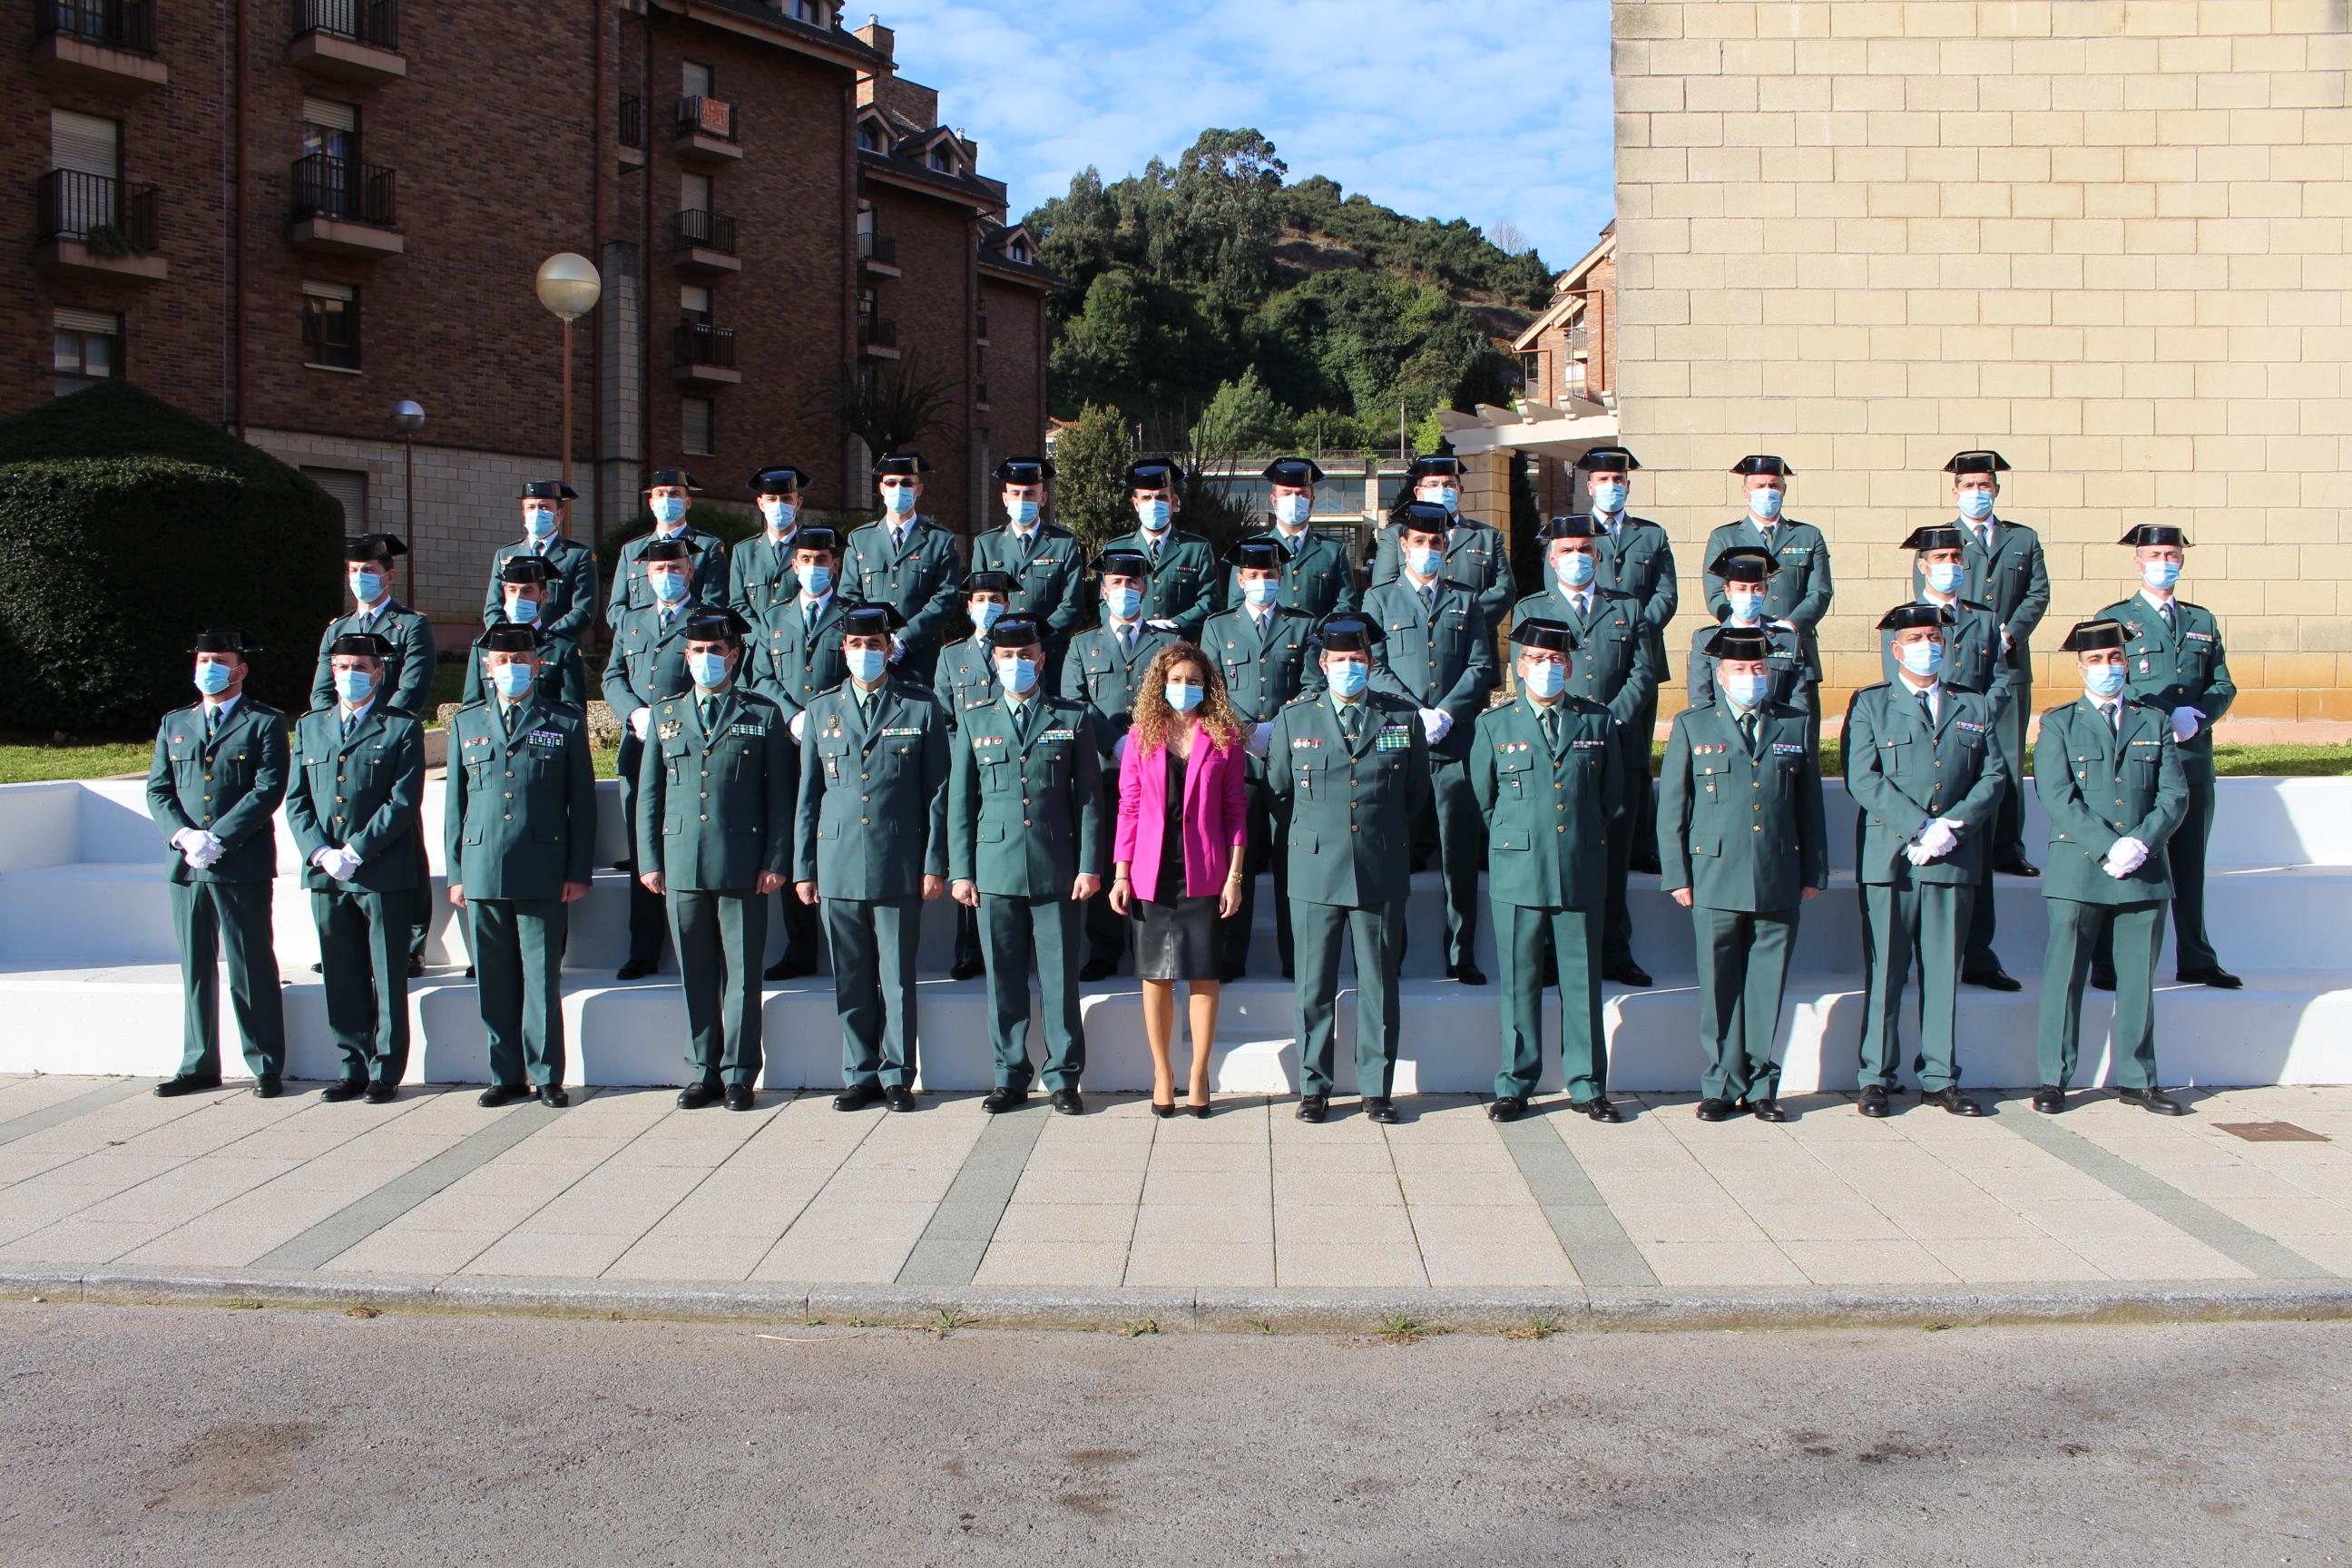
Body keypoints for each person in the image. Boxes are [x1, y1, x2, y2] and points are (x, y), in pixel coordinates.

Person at [1845, 604, 2009, 1120]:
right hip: (1892, 858)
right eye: (1915, 637)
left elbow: (1994, 776)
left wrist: (1948, 829)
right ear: (1896, 649)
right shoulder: (1872, 704)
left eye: (1934, 636)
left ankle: (1940, 1077)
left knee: (1942, 972)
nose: (1926, 644)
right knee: (1886, 970)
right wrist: (1919, 826)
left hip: (1951, 857)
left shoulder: (1975, 706)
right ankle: (1876, 1076)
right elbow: (1863, 777)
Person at [1658, 626, 1828, 1122]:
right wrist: (1677, 875)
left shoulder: (1793, 724)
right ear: (1719, 674)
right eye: (1739, 669)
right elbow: (1673, 809)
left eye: (1758, 668)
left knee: (1766, 985)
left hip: (1778, 872)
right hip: (1712, 874)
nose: (1750, 677)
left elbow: (1808, 805)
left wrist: (1814, 867)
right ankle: (1719, 1082)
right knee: (1718, 986)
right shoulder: (1694, 725)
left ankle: (1759, 1085)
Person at [1269, 612, 1432, 1125]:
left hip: (1379, 867)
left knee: (1380, 984)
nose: (1348, 668)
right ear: (1323, 663)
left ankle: (1375, 1089)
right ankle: (1314, 1087)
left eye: (1357, 660)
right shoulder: (1295, 719)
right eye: (1339, 660)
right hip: (1316, 869)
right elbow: (1278, 791)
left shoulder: (1401, 718)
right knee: (1313, 985)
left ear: (1371, 662)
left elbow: (1415, 793)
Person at [636, 608, 795, 1111]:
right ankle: (703, 1070)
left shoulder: (761, 713)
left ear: (735, 656)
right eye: (698, 652)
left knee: (744, 975)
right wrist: (649, 858)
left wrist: (775, 859)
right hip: (681, 862)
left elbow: (780, 797)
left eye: (717, 652)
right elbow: (650, 796)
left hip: (745, 865)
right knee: (696, 972)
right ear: (686, 656)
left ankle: (740, 1074)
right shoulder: (664, 716)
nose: (707, 660)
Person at [796, 603, 952, 1112]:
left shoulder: (921, 707)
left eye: (875, 645)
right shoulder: (821, 710)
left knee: (898, 976)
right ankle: (859, 1072)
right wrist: (804, 867)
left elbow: (939, 794)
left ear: (890, 648)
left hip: (898, 861)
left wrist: (934, 863)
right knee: (851, 974)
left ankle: (898, 1076)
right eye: (857, 646)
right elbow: (808, 796)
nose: (866, 653)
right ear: (845, 650)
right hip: (837, 862)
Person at [2033, 620, 2192, 1115]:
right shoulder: (2059, 723)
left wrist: (2140, 843)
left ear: (2128, 663)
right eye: (2097, 661)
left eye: (2116, 659)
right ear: (2081, 668)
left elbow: (2174, 793)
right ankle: (2053, 1079)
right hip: (2078, 867)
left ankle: (2138, 1078)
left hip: (2143, 869)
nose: (2108, 668)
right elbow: (2057, 796)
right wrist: (2107, 846)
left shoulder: (2154, 720)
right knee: (2065, 976)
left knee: (2138, 979)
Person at [948, 614, 1106, 1115]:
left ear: (1042, 658)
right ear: (994, 661)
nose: (1017, 664)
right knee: (1004, 980)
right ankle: (1009, 1075)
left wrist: (1089, 865)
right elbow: (958, 802)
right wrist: (962, 870)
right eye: (1007, 656)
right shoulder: (975, 719)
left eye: (1026, 655)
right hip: (994, 868)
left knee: (1060, 980)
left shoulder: (1071, 717)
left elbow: (1089, 801)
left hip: (1057, 866)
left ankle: (1063, 1077)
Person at [1471, 617, 1625, 1123]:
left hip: (1579, 865)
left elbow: (1612, 798)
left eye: (1555, 660)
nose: (1546, 668)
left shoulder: (1597, 722)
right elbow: (1485, 799)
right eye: (1536, 660)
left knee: (1582, 982)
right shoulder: (1495, 724)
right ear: (1520, 667)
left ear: (1570, 666)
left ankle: (1586, 1084)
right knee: (1519, 981)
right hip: (1518, 869)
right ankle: (1515, 1083)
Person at [445, 624, 595, 1108]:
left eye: (521, 660)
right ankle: (505, 1074)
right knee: (494, 978)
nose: (511, 668)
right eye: (501, 661)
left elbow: (583, 805)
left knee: (541, 975)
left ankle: (547, 1073)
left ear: (537, 665)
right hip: (482, 865)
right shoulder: (465, 724)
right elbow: (456, 805)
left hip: (543, 867)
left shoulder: (565, 721)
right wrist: (456, 872)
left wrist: (576, 871)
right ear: (487, 669)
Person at [1511, 515, 1660, 988]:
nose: (1577, 556)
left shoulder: (1628, 608)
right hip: (1560, 753)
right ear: (1551, 559)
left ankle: (1614, 951)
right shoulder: (1531, 608)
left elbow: (1643, 672)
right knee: (1561, 854)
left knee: (1614, 857)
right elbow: (1527, 676)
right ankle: (1556, 954)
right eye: (1567, 549)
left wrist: (1611, 719)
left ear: (1599, 556)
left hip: (1619, 746)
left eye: (1585, 548)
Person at [2091, 525, 2239, 991]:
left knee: (2190, 865)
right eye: (2155, 554)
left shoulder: (2202, 620)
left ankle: (2195, 957)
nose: (2164, 561)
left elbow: (2223, 682)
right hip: (2138, 758)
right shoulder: (2115, 618)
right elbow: (2110, 678)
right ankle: (2109, 962)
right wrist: (2165, 713)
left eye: (2172, 554)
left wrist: (2200, 715)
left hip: (2192, 757)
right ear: (2138, 562)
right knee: (2130, 860)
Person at [285, 632, 426, 1103]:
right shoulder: (310, 727)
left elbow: (403, 801)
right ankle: (352, 1065)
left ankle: (386, 1069)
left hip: (380, 869)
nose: (350, 675)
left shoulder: (401, 727)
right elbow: (297, 799)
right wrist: (320, 851)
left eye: (360, 668)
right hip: (327, 872)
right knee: (341, 974)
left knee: (387, 973)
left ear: (379, 673)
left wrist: (356, 851)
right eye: (343, 666)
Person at [147, 630, 288, 1098]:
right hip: (187, 865)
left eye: (219, 660)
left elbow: (267, 789)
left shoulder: (264, 722)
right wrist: (184, 836)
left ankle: (265, 1064)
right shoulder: (175, 723)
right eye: (203, 659)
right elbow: (159, 789)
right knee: (196, 966)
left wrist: (219, 837)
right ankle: (198, 1063)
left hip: (240, 862)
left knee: (250, 964)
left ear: (240, 669)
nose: (208, 668)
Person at [1111, 643, 1250, 1116]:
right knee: (1156, 977)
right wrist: (1121, 873)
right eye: (1176, 680)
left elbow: (1235, 810)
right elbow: (1128, 807)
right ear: (1160, 684)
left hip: (1205, 869)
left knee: (1203, 975)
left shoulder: (1224, 737)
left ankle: (1197, 1074)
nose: (1184, 688)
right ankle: (1163, 1072)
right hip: (1152, 871)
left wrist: (1235, 876)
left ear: (1206, 685)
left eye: (1193, 680)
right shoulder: (1141, 736)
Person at [1366, 502, 1498, 984]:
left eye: (1436, 543)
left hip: (1454, 743)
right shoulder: (1379, 601)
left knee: (1458, 857)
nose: (1428, 550)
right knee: (1393, 853)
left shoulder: (1468, 600)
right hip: (1400, 741)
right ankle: (1390, 956)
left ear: (1447, 547)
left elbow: (1482, 665)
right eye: (1419, 542)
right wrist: (1416, 713)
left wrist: (1446, 712)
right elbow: (1374, 667)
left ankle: (1461, 954)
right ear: (1403, 546)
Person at [1885, 525, 2020, 990]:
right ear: (1922, 565)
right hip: (1919, 750)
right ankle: (1907, 960)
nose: (1951, 565)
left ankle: (1979, 957)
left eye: (1956, 557)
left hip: (1970, 741)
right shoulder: (1906, 620)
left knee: (1975, 860)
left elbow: (2002, 677)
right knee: (1910, 869)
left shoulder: (1983, 618)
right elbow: (1896, 686)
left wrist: (1977, 714)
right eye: (1940, 557)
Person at [312, 531, 436, 975]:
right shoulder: (338, 629)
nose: (359, 579)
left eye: (368, 571)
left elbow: (413, 685)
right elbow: (323, 693)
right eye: (353, 572)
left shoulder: (411, 625)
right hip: (342, 745)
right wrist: (337, 732)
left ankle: (411, 942)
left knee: (402, 839)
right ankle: (342, 938)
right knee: (340, 830)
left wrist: (379, 728)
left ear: (389, 576)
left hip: (390, 741)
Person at [1201, 540, 1325, 981]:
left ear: (1281, 578)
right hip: (1238, 764)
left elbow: (1313, 686)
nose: (1262, 582)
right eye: (1253, 576)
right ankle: (1232, 956)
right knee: (1239, 862)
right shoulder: (1218, 627)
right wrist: (1248, 731)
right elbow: (1211, 689)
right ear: (1240, 581)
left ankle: (1297, 958)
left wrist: (1280, 729)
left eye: (1270, 575)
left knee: (1294, 863)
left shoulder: (1303, 625)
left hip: (1291, 764)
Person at [1061, 548, 1180, 981]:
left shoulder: (1168, 644)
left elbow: (1182, 699)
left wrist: (1149, 745)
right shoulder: (1081, 644)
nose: (1124, 590)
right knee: (1109, 855)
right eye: (1116, 584)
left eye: (1132, 584)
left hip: (1159, 769)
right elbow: (1077, 703)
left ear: (1144, 589)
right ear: (1103, 590)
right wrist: (1117, 745)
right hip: (1103, 769)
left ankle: (1155, 946)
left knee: (1157, 858)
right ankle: (1105, 950)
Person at [1931, 450, 2048, 878]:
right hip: (1957, 669)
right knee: (1956, 755)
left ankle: (2007, 848)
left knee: (2009, 760)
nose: (1977, 492)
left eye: (1985, 485)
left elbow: (2038, 594)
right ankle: (1960, 839)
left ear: (1996, 490)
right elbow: (1934, 605)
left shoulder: (2024, 538)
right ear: (1955, 491)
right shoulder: (1939, 539)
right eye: (1969, 486)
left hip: (2008, 664)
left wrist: (2009, 632)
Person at [745, 524, 854, 981]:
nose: (813, 567)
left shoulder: (853, 615)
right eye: (805, 560)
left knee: (838, 835)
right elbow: (761, 676)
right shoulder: (773, 618)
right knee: (794, 837)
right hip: (787, 743)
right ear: (794, 566)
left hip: (839, 745)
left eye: (822, 560)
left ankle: (845, 944)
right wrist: (792, 715)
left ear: (836, 564)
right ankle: (800, 947)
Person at [1569, 446, 1677, 875]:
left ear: (1627, 486)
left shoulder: (1651, 534)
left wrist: (1631, 628)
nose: (1612, 487)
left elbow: (1666, 594)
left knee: (1635, 756)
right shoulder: (1571, 532)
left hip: (1640, 660)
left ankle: (1638, 843)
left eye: (1619, 480)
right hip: (1585, 660)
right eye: (1603, 480)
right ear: (1590, 486)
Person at [600, 536, 701, 979]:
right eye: (658, 570)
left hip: (688, 749)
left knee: (687, 843)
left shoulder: (706, 621)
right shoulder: (632, 621)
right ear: (644, 576)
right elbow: (612, 675)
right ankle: (643, 948)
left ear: (690, 571)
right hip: (638, 748)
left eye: (675, 568)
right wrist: (634, 713)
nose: (667, 576)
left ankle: (696, 945)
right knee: (644, 851)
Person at [1703, 456, 1833, 730]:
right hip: (1741, 651)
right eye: (1760, 484)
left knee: (1801, 731)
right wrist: (1748, 627)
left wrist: (1789, 626)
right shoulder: (1724, 537)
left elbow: (1820, 591)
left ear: (1783, 490)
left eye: (1774, 485)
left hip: (1796, 648)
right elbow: (1716, 594)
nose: (1767, 490)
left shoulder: (1808, 536)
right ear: (1745, 490)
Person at [935, 571, 1015, 982]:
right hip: (969, 772)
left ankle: (1007, 947)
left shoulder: (1020, 652)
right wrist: (968, 758)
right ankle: (969, 951)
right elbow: (944, 717)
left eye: (996, 598)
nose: (989, 605)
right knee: (967, 857)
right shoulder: (952, 655)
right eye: (980, 598)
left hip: (1011, 771)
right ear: (968, 606)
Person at [842, 451, 963, 683]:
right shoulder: (860, 539)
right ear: (881, 488)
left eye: (906, 483)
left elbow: (945, 597)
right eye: (891, 482)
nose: (898, 488)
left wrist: (905, 639)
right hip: (870, 657)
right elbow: (848, 597)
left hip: (921, 657)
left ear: (918, 490)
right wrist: (874, 641)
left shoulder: (940, 540)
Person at [1369, 455, 1516, 628]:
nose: (1441, 489)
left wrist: (1463, 620)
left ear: (1460, 491)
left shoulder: (1486, 536)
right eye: (1433, 484)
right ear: (1418, 492)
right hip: (1414, 635)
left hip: (1475, 639)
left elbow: (1503, 590)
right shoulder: (1396, 535)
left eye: (1449, 485)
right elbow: (1385, 589)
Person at [1217, 457, 1359, 619]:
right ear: (1274, 500)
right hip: (1268, 641)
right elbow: (1237, 608)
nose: (1294, 499)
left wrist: (1315, 636)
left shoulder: (1333, 551)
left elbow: (1346, 606)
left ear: (1312, 502)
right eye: (1286, 493)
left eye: (1301, 494)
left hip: (1315, 641)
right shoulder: (1250, 548)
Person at [968, 456, 1087, 644]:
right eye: (1015, 493)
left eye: (1030, 494)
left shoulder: (1063, 543)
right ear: (1005, 499)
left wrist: (1037, 639)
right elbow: (979, 602)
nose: (1022, 499)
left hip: (1049, 650)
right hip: (1001, 651)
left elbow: (1072, 604)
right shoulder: (986, 544)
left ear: (1043, 498)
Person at [1100, 458, 1217, 641]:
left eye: (1161, 497)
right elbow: (1104, 603)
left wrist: (1175, 624)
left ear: (1173, 502)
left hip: (1180, 645)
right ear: (1136, 504)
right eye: (1146, 497)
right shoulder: (1115, 549)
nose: (1153, 503)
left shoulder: (1196, 549)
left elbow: (1210, 602)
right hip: (1131, 643)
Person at [1688, 550, 1807, 712]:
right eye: (1741, 589)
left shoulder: (1786, 640)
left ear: (1765, 591)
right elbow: (1700, 699)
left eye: (1757, 588)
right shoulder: (1706, 639)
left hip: (1774, 728)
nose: (1750, 595)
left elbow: (1797, 699)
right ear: (1728, 591)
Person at [461, 557, 587, 707]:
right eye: (512, 590)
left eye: (527, 591)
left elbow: (573, 712)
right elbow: (471, 706)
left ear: (544, 596)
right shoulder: (484, 645)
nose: (518, 598)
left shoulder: (562, 648)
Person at [608, 470, 726, 625]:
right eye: (660, 494)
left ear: (688, 502)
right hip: (641, 642)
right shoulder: (632, 550)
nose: (667, 499)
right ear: (651, 503)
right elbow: (617, 607)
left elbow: (713, 605)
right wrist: (636, 633)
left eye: (674, 494)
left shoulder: (707, 547)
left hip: (688, 639)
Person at [487, 480, 599, 642]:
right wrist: (508, 640)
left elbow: (583, 611)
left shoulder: (577, 555)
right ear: (523, 512)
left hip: (557, 649)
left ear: (560, 514)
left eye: (545, 507)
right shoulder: (506, 555)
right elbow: (493, 608)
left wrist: (543, 640)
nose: (537, 512)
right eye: (531, 507)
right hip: (513, 649)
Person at [730, 465, 810, 621]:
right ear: (761, 504)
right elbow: (738, 605)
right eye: (771, 499)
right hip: (758, 643)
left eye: (786, 498)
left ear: (798, 503)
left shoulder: (813, 547)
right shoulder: (744, 552)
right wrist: (761, 641)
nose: (778, 504)